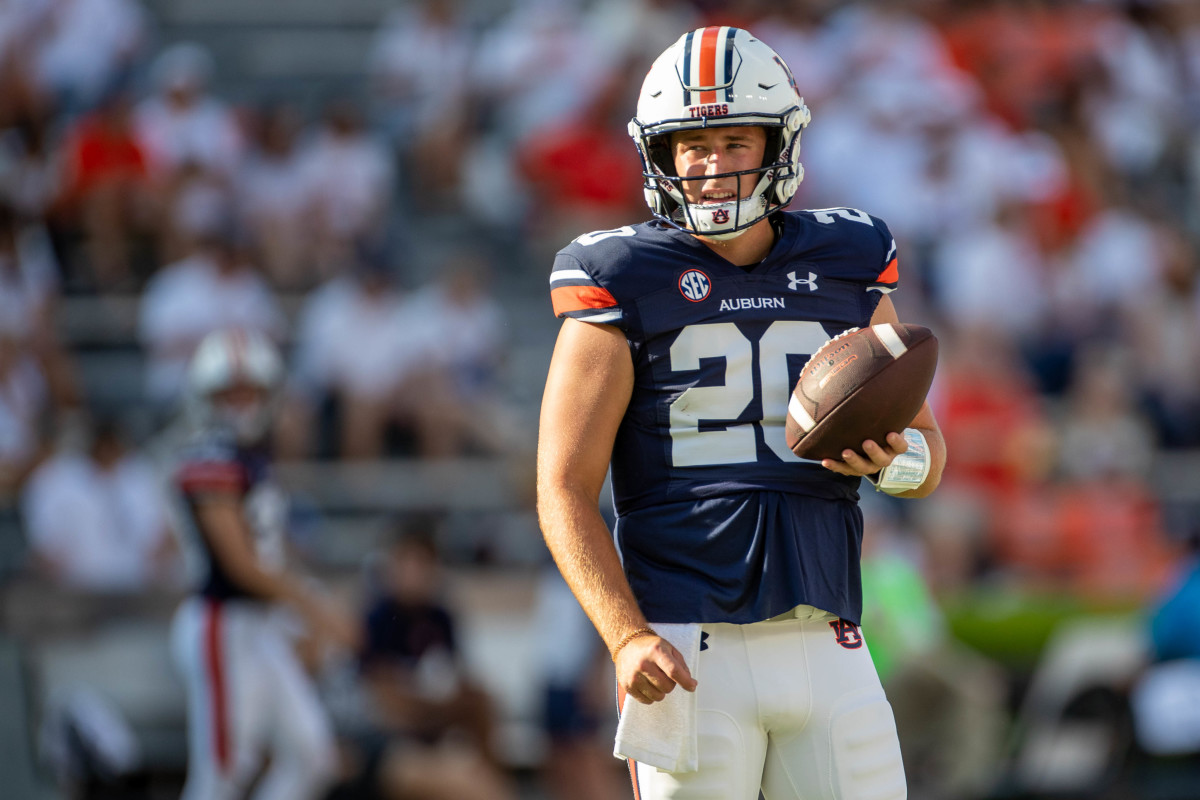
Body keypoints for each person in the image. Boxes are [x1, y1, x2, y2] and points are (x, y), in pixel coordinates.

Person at [536, 27, 947, 800]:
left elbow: (928, 459)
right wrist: (624, 638)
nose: (713, 164)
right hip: (688, 649)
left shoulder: (847, 261)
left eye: (733, 139)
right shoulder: (618, 275)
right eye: (691, 144)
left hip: (830, 636)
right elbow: (561, 487)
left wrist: (893, 463)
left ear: (779, 141)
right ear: (660, 155)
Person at [168, 328, 360, 800]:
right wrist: (314, 607)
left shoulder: (251, 458)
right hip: (224, 621)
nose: (242, 403)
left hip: (261, 626)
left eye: (250, 390)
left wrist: (306, 601)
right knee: (221, 774)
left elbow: (270, 550)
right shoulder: (208, 458)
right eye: (230, 392)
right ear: (206, 397)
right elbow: (240, 565)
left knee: (312, 755)